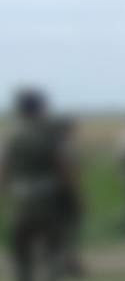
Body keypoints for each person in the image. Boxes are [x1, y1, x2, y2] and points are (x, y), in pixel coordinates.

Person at [1, 90, 82, 280]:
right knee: (53, 251)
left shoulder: (11, 138)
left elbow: (4, 170)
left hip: (21, 200)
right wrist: (76, 195)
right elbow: (63, 167)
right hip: (48, 200)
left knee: (22, 255)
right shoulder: (48, 136)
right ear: (40, 109)